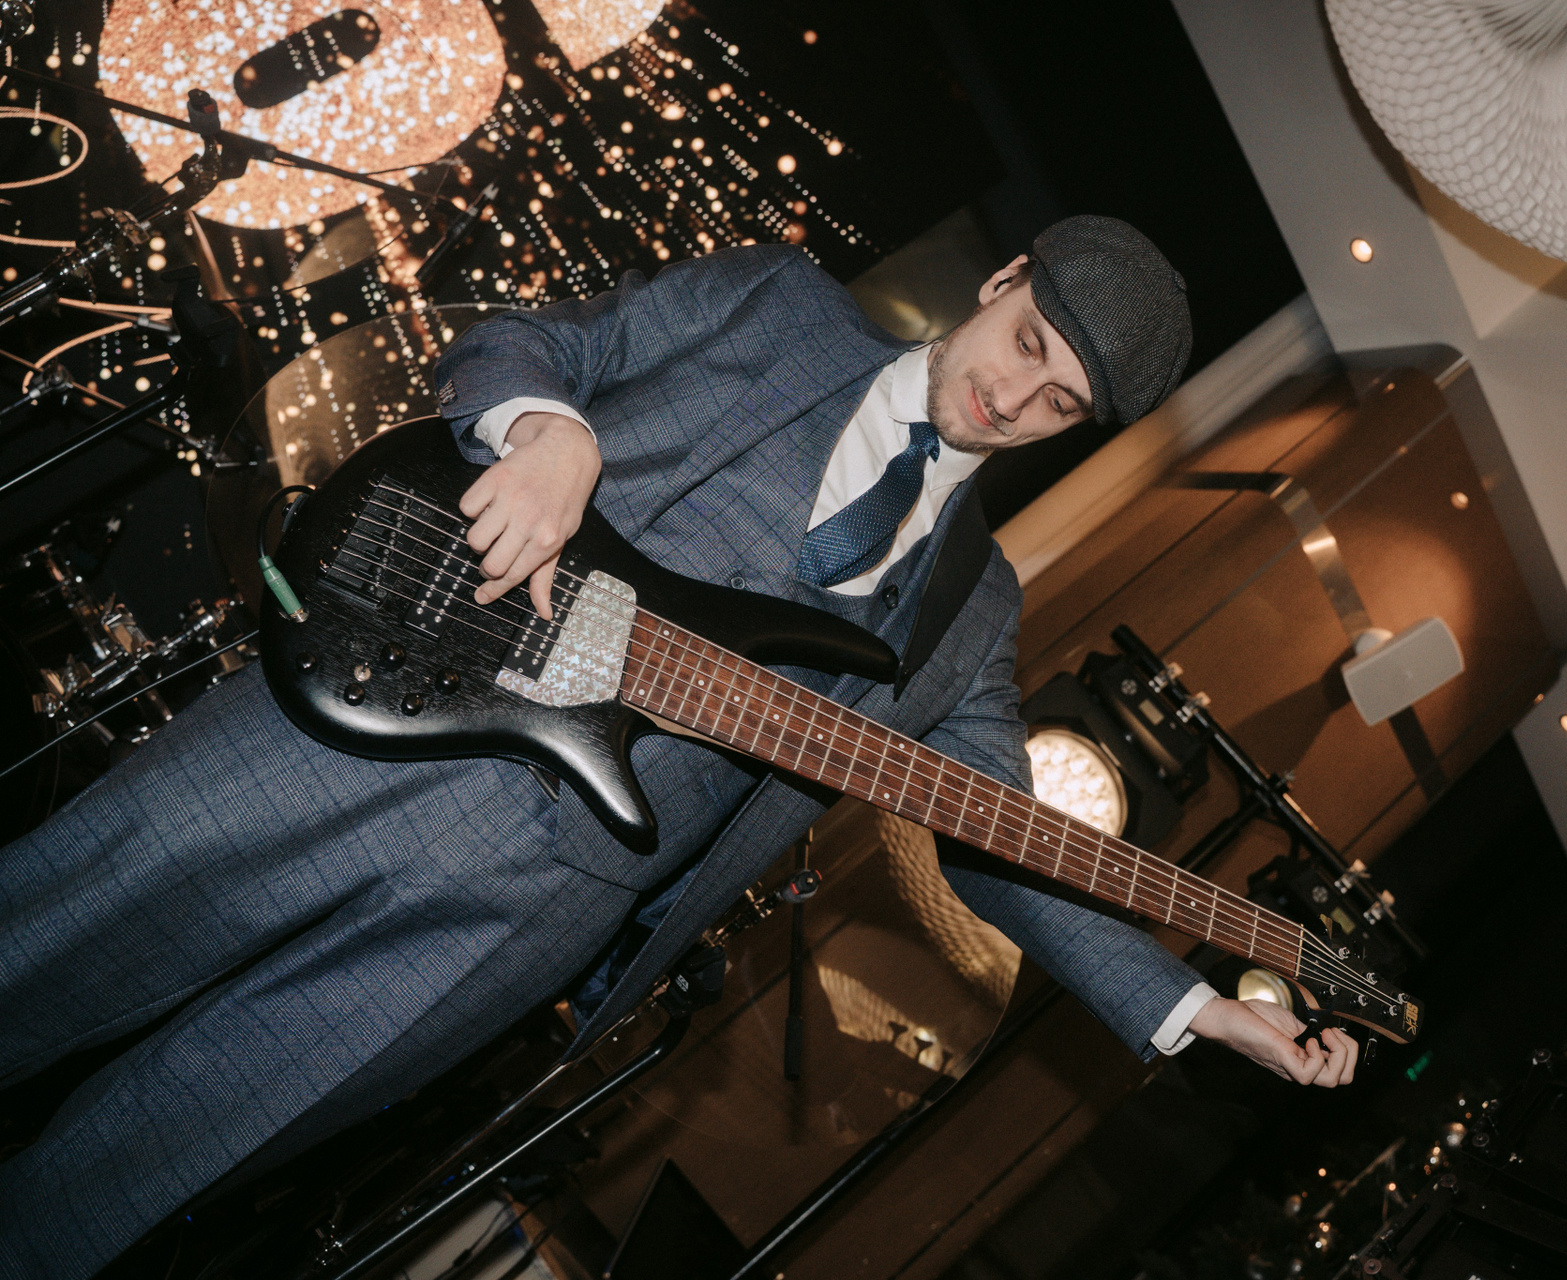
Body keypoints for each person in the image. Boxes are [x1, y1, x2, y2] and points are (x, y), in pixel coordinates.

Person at [0, 215, 1355, 1279]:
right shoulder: (776, 304)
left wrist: (1199, 1007)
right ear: (1003, 281)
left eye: (1059, 404)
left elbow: (1005, 842)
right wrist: (547, 437)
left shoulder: (975, 611)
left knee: (165, 1154)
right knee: (42, 933)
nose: (1014, 398)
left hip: (533, 906)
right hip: (378, 702)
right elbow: (529, 340)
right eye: (1028, 342)